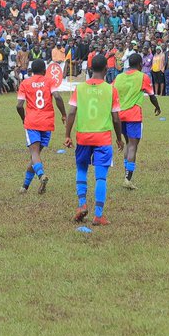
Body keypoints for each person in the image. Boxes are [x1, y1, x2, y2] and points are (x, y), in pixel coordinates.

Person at [63, 54, 124, 227]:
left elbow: (72, 112)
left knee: (81, 169)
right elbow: (116, 118)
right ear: (106, 69)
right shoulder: (110, 89)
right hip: (102, 137)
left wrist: (67, 135)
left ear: (90, 70)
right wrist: (119, 139)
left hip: (83, 135)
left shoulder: (80, 88)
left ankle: (82, 204)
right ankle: (98, 215)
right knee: (101, 177)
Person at [16, 58, 67, 194]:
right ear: (45, 71)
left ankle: (41, 175)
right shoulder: (49, 81)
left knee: (34, 154)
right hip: (47, 122)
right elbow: (57, 97)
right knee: (35, 155)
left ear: (31, 71)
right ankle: (24, 187)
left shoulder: (25, 83)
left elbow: (19, 105)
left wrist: (24, 118)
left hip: (32, 122)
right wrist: (63, 114)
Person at [113, 53, 161, 190]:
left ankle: (126, 174)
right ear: (140, 64)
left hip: (120, 116)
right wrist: (157, 107)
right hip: (133, 116)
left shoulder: (119, 77)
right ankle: (127, 179)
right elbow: (152, 95)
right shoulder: (143, 77)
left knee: (128, 143)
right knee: (133, 145)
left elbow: (112, 91)